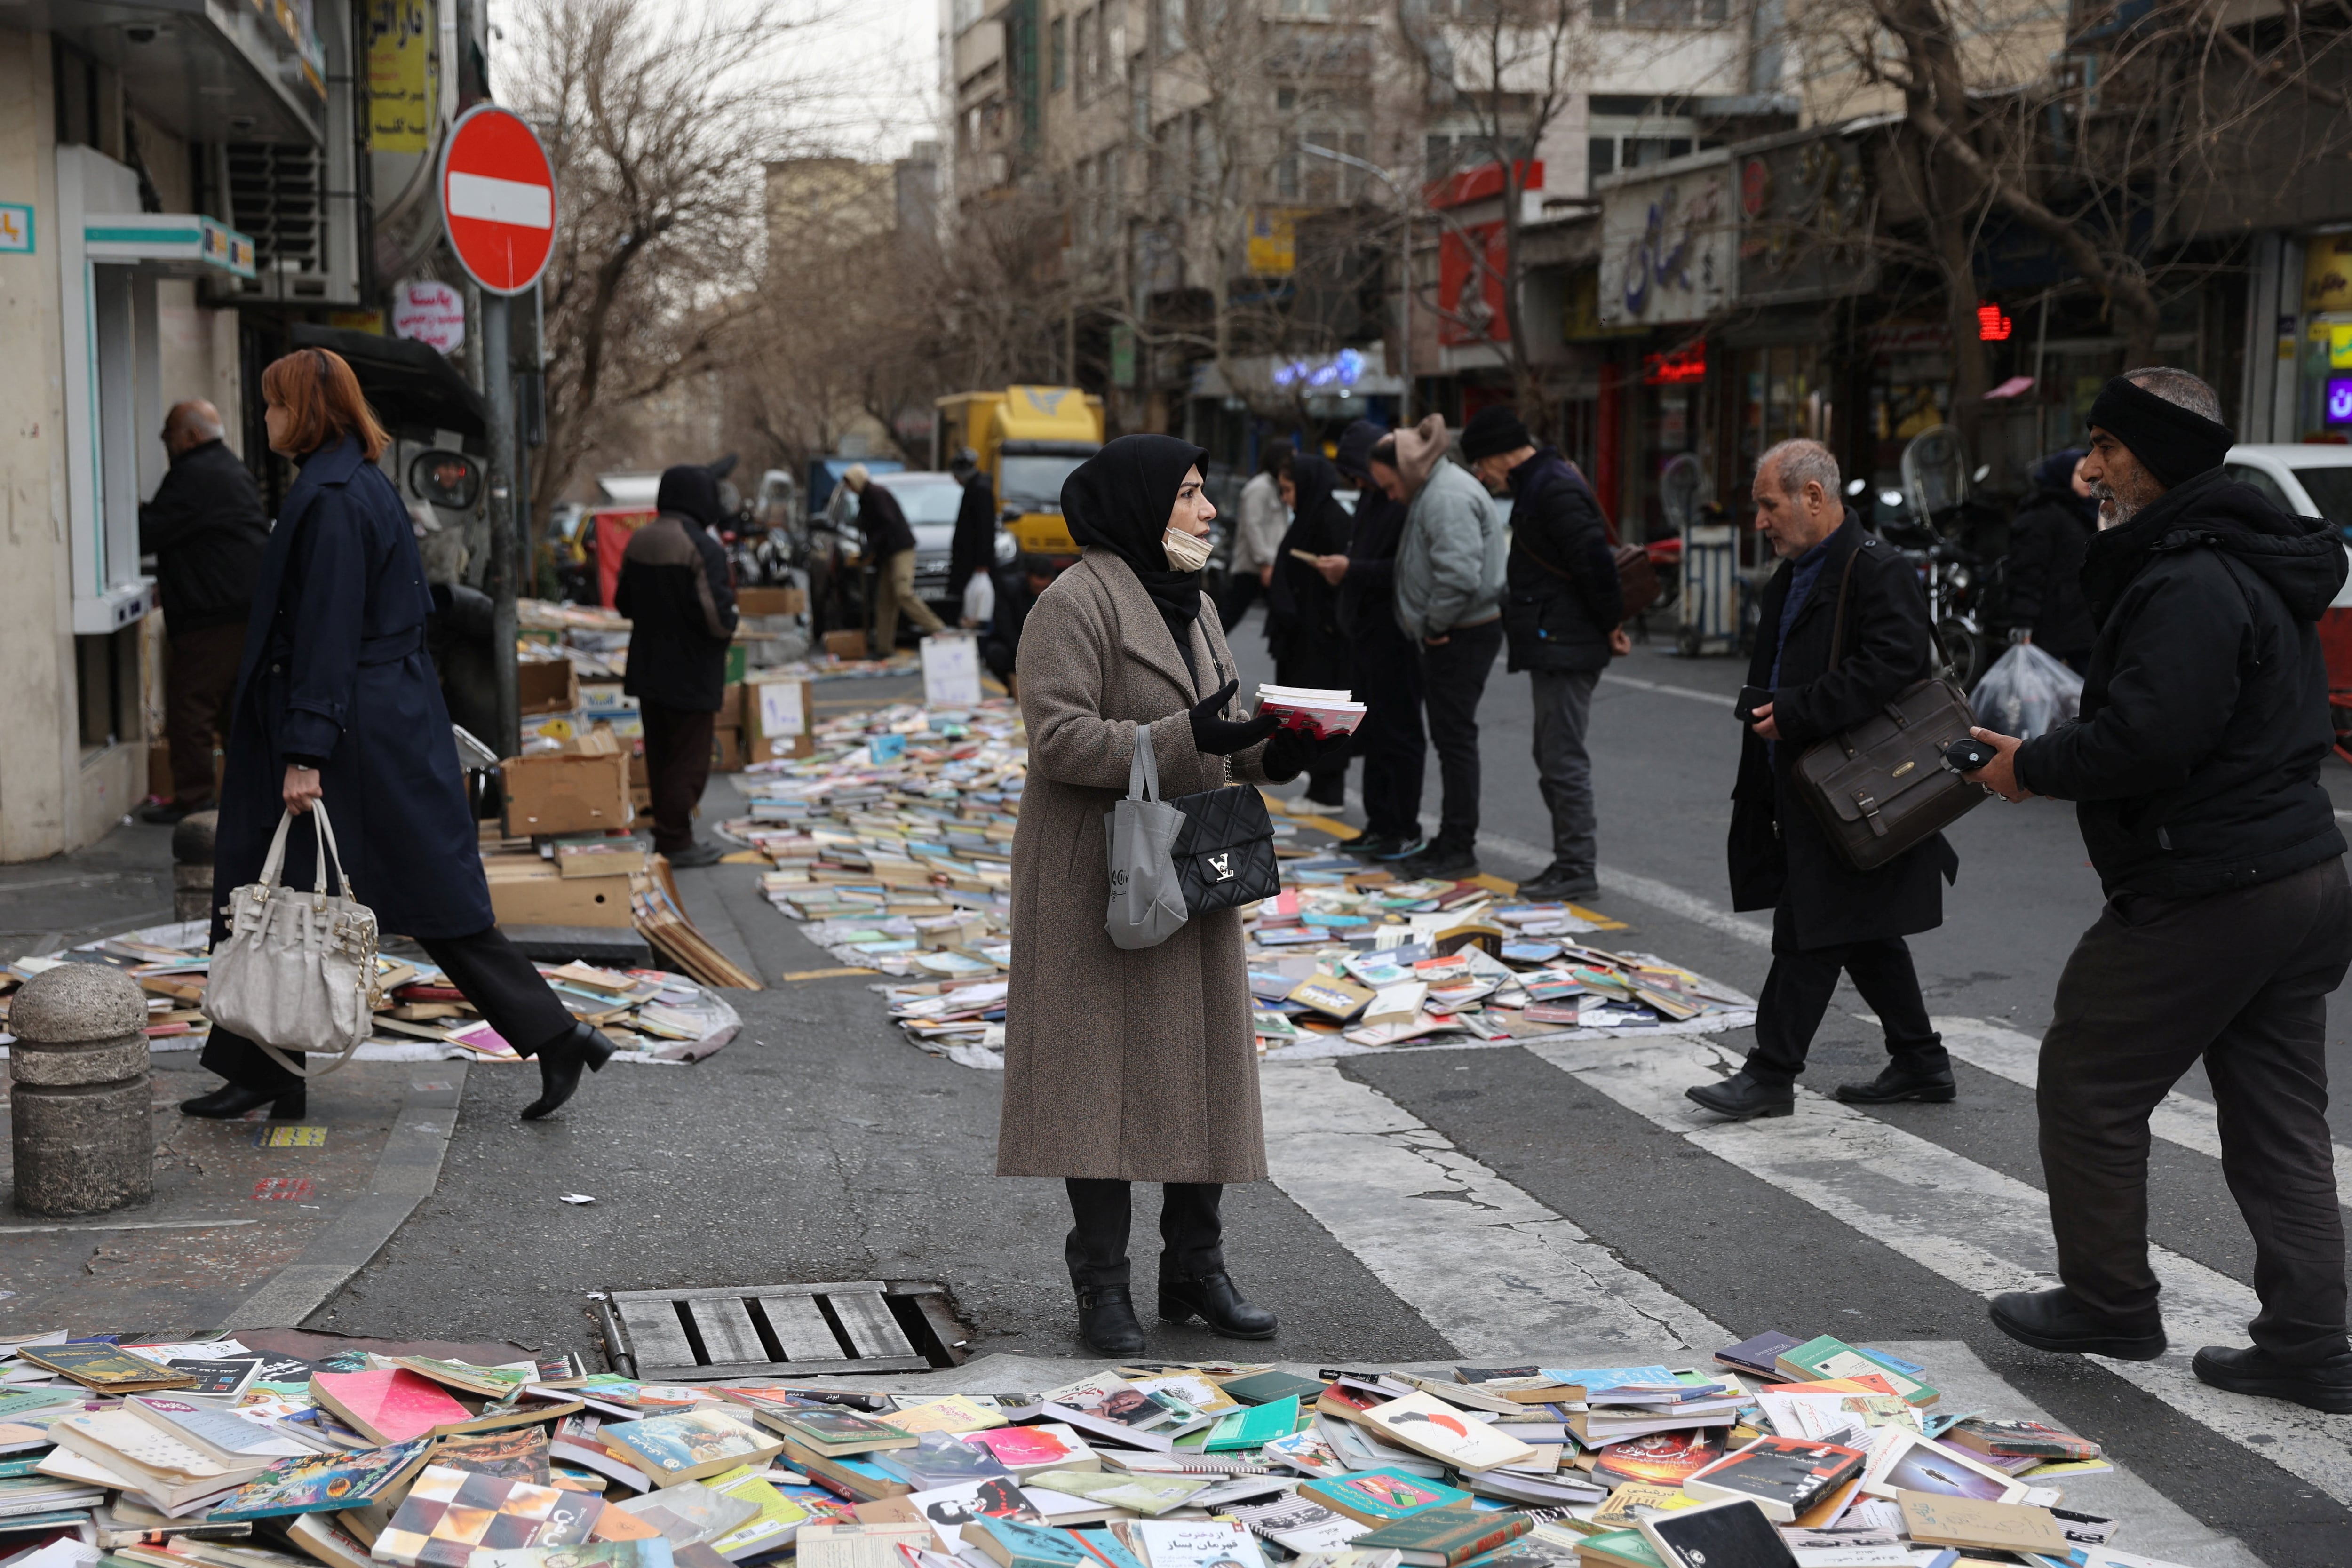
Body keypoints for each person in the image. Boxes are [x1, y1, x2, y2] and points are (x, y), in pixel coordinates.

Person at [1964, 369, 2352, 1411]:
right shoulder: (2241, 557)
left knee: (2089, 1082)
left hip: (2214, 882)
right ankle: (2310, 1346)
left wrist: (2029, 767)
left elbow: (2149, 737)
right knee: (2277, 1122)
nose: (2088, 465)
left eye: (2106, 445)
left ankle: (2109, 1301)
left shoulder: (2189, 576)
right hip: (2298, 873)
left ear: (2158, 458)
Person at [183, 348, 616, 1125]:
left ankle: (555, 1035)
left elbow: (325, 631)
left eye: (276, 406)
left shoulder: (337, 496)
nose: (268, 419)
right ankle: (263, 1066)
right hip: (372, 721)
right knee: (281, 891)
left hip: (354, 735)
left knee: (395, 893)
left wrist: (305, 749)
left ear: (308, 413)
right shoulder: (344, 485)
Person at [998, 434, 1347, 1354]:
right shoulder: (1072, 603)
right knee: (1095, 1089)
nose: (1207, 511)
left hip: (1186, 863)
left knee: (1202, 1076)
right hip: (1095, 876)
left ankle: (1195, 1270)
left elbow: (1220, 733)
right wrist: (1183, 735)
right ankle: (1102, 1285)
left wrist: (1284, 745)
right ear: (1143, 505)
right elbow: (1060, 741)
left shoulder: (1190, 606)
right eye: (1191, 495)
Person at [1687, 438, 1958, 1121]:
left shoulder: (1877, 570)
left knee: (1812, 926)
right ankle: (1921, 1060)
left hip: (1856, 784)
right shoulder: (1796, 572)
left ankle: (1770, 1073)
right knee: (1861, 928)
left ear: (1814, 496)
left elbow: (1895, 664)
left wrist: (1799, 710)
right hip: (1808, 781)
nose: (1760, 521)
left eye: (1768, 505)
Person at [1462, 404, 1629, 902]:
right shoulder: (1543, 482)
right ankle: (1570, 861)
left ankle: (1577, 866)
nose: (1481, 476)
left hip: (1566, 643)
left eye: (1480, 464)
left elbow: (1593, 562)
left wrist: (1611, 623)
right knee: (1552, 754)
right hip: (1558, 640)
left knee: (1561, 758)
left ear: (1498, 455)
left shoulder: (1551, 486)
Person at [1375, 415, 1507, 882]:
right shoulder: (1438, 488)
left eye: (1389, 485)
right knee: (1451, 740)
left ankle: (1457, 843)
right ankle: (1452, 838)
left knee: (1454, 741)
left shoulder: (1445, 496)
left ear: (1406, 470)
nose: (1390, 495)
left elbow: (1457, 574)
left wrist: (1434, 625)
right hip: (1456, 629)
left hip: (1459, 632)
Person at [138, 400, 270, 825]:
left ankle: (194, 800)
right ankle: (246, 798)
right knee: (234, 711)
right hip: (240, 607)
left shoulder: (194, 474)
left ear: (191, 437)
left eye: (169, 432)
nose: (164, 441)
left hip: (211, 613)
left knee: (191, 705)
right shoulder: (230, 467)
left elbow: (150, 530)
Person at [615, 464, 741, 869]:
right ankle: (676, 839)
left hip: (648, 667)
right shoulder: (701, 546)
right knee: (688, 759)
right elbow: (718, 618)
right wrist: (731, 626)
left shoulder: (640, 540)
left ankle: (670, 834)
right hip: (691, 671)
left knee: (661, 753)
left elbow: (623, 604)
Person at [1331, 420, 1425, 860]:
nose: (1360, 483)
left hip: (1396, 634)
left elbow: (1402, 569)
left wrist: (1351, 569)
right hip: (1364, 634)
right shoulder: (1372, 498)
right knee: (1371, 734)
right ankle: (1378, 823)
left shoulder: (1402, 500)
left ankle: (1404, 826)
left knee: (1400, 734)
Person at [1263, 451, 1356, 808]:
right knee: (1303, 714)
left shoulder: (1332, 521)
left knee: (1322, 715)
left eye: (1289, 490)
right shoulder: (1307, 519)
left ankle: (1327, 790)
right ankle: (1318, 786)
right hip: (1304, 637)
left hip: (1324, 639)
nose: (1286, 498)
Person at [2002, 448, 2099, 670]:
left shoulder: (2087, 511)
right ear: (2062, 474)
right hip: (2051, 624)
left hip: (2083, 623)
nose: (2087, 478)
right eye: (2078, 473)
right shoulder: (2042, 515)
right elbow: (2027, 571)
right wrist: (2023, 621)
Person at [844, 463, 944, 653]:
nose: (850, 488)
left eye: (850, 483)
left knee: (902, 591)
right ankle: (884, 647)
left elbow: (887, 523)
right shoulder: (865, 499)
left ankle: (936, 627)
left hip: (900, 549)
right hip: (887, 554)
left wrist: (871, 546)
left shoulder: (876, 495)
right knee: (885, 601)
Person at [1218, 438, 1291, 627]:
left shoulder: (1276, 487)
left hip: (1270, 564)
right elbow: (1253, 527)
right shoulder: (1259, 488)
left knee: (1284, 617)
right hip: (1253, 567)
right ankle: (1202, 651)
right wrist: (1265, 562)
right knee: (1229, 615)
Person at [978, 554, 1055, 692]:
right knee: (996, 652)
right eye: (1037, 587)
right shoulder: (1010, 589)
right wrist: (1027, 653)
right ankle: (1012, 688)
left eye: (1044, 588)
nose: (1040, 592)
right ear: (1028, 577)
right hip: (1017, 644)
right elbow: (1005, 626)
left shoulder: (1055, 592)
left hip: (1045, 645)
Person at [947, 447, 997, 604]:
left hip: (972, 558)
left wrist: (983, 562)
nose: (955, 480)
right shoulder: (976, 487)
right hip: (970, 557)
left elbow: (985, 528)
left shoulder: (979, 490)